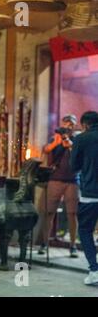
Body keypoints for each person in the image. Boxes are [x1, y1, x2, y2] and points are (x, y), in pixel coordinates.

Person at [39, 114, 79, 257]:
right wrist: (57, 142)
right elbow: (46, 150)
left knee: (72, 214)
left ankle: (73, 245)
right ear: (62, 124)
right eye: (66, 123)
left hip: (72, 180)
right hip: (55, 179)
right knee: (49, 213)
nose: (68, 125)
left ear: (74, 125)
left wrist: (69, 144)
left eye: (71, 123)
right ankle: (44, 243)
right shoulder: (55, 137)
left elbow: (79, 154)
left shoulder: (77, 139)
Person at [70, 111, 98, 285]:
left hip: (91, 193)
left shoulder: (82, 139)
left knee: (85, 230)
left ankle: (94, 271)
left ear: (85, 124)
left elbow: (74, 166)